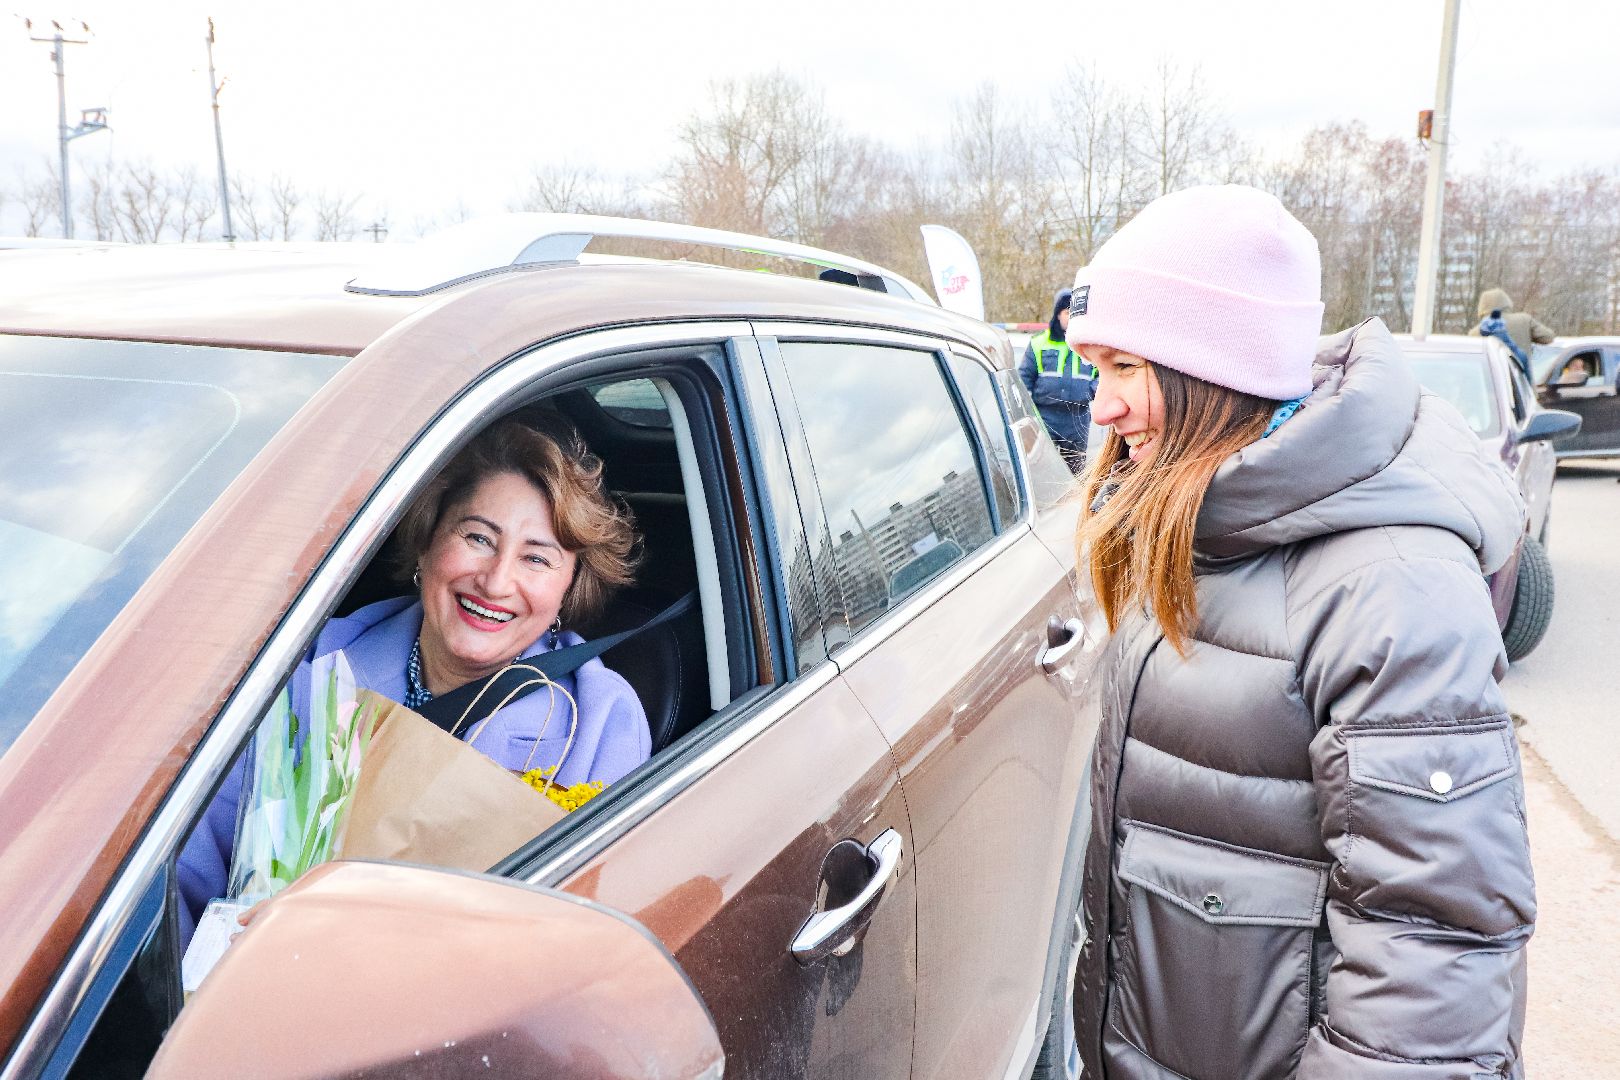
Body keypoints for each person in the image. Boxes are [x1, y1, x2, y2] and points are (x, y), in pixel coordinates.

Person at [1065, 185, 1534, 1078]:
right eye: (1095, 367)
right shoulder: (1190, 518)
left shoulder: (1387, 586)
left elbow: (1431, 941)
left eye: (1125, 368)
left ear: (1216, 370)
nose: (1100, 407)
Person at [177, 421, 650, 941]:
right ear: (426, 546)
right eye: (478, 538)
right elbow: (187, 873)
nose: (495, 581)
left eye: (536, 558)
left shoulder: (602, 722)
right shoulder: (300, 664)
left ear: (568, 589)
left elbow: (580, 934)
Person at [1018, 286, 1097, 471]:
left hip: (1077, 419)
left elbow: (1104, 375)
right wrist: (1026, 414)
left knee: (1076, 473)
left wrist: (1090, 390)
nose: (1070, 317)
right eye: (1067, 311)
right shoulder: (1039, 342)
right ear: (1058, 314)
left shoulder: (1090, 344)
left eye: (1074, 313)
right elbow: (1023, 380)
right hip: (1045, 418)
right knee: (1043, 471)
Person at [1472, 286, 1555, 365]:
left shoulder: (1475, 333)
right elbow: (1548, 337)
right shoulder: (1524, 320)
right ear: (1506, 303)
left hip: (1491, 378)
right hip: (1521, 377)